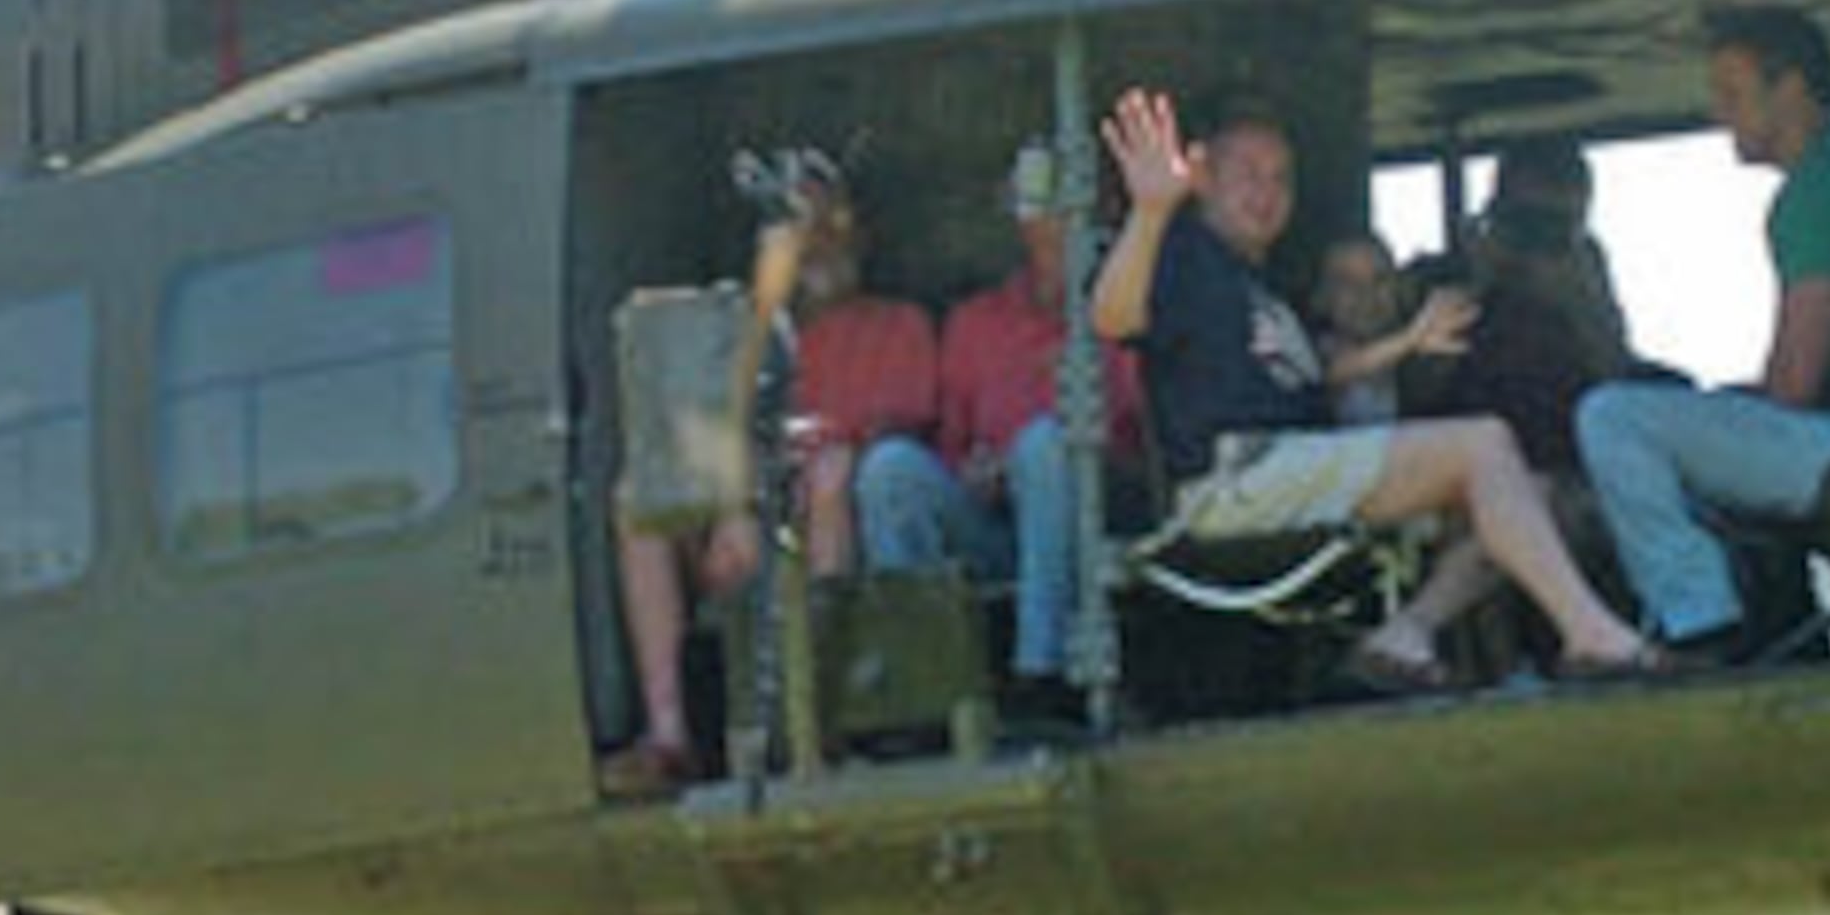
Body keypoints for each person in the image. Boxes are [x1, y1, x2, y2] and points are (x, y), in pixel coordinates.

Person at [1091, 87, 1657, 688]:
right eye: (1248, 175)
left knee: (1530, 489)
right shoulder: (1183, 253)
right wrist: (1150, 211)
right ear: (1201, 178)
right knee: (1483, 443)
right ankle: (1593, 637)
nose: (1268, 193)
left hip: (1294, 467)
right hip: (1235, 476)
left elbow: (1319, 375)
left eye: (1281, 178)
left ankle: (1405, 634)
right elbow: (1112, 317)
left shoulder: (1259, 285)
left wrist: (1406, 343)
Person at [601, 162, 940, 799]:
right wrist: (735, 508)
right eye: (802, 225)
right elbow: (701, 439)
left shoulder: (897, 325)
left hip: (836, 519)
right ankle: (669, 732)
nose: (821, 241)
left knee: (832, 474)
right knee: (634, 504)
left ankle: (817, 719)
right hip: (750, 526)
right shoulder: (736, 337)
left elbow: (898, 432)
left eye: (833, 222)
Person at [1575, 4, 1830, 662]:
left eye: (1732, 94)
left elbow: (1794, 386)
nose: (1719, 114)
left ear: (1790, 89)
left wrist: (1721, 412)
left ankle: (1699, 619)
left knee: (1615, 419)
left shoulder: (1812, 194)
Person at [884, 139, 1146, 705]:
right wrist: (977, 473)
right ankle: (917, 690)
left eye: (1077, 212)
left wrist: (1077, 452)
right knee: (891, 470)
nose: (1059, 227)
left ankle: (1043, 674)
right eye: (1043, 213)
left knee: (1046, 445)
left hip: (1098, 531)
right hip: (998, 531)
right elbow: (950, 448)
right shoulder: (974, 324)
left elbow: (1152, 455)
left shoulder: (1129, 317)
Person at [1442, 135, 1641, 472]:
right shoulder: (1457, 268)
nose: (1539, 236)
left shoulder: (1582, 263)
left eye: (1556, 223)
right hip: (1482, 429)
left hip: (1571, 429)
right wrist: (1477, 283)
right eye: (1526, 219)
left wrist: (1576, 300)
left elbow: (1615, 369)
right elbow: (1423, 385)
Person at [1308, 229, 1472, 425]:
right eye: (1347, 282)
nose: (1366, 294)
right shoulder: (1310, 350)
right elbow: (1332, 373)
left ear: (1399, 288)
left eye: (1380, 279)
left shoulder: (1421, 355)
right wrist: (1409, 340)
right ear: (1321, 297)